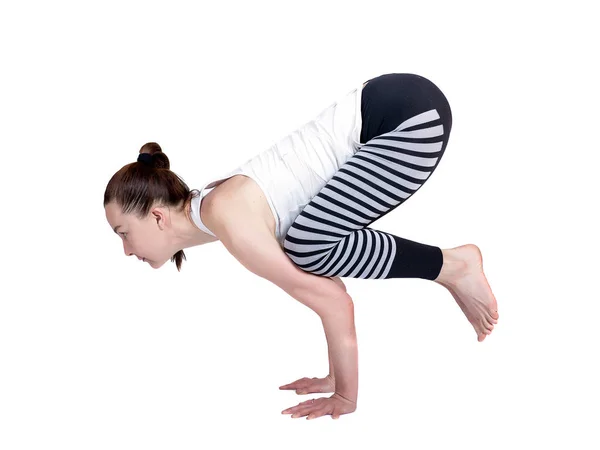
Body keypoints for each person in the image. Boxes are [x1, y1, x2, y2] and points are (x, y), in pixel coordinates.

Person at [104, 73, 499, 420]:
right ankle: (451, 266)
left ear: (157, 216)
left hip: (411, 121)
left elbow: (333, 301)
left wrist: (344, 395)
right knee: (308, 249)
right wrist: (332, 374)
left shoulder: (230, 219)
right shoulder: (216, 209)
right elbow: (329, 287)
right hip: (401, 103)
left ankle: (454, 265)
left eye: (123, 232)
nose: (125, 250)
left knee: (306, 247)